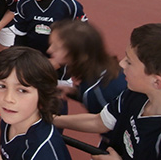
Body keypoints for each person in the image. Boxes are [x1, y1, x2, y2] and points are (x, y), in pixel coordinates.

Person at [53, 23, 161, 160]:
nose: (121, 64)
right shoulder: (133, 93)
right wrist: (53, 120)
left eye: (129, 62)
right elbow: (100, 121)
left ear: (157, 82)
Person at [0, 46, 72, 160]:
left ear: (42, 95)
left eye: (22, 90)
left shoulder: (42, 153)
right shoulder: (11, 118)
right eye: (2, 86)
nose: (8, 98)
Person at [48, 20, 127, 114]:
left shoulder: (98, 93)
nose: (49, 50)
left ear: (79, 55)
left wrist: (53, 120)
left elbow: (106, 125)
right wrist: (74, 92)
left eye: (56, 47)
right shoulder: (106, 70)